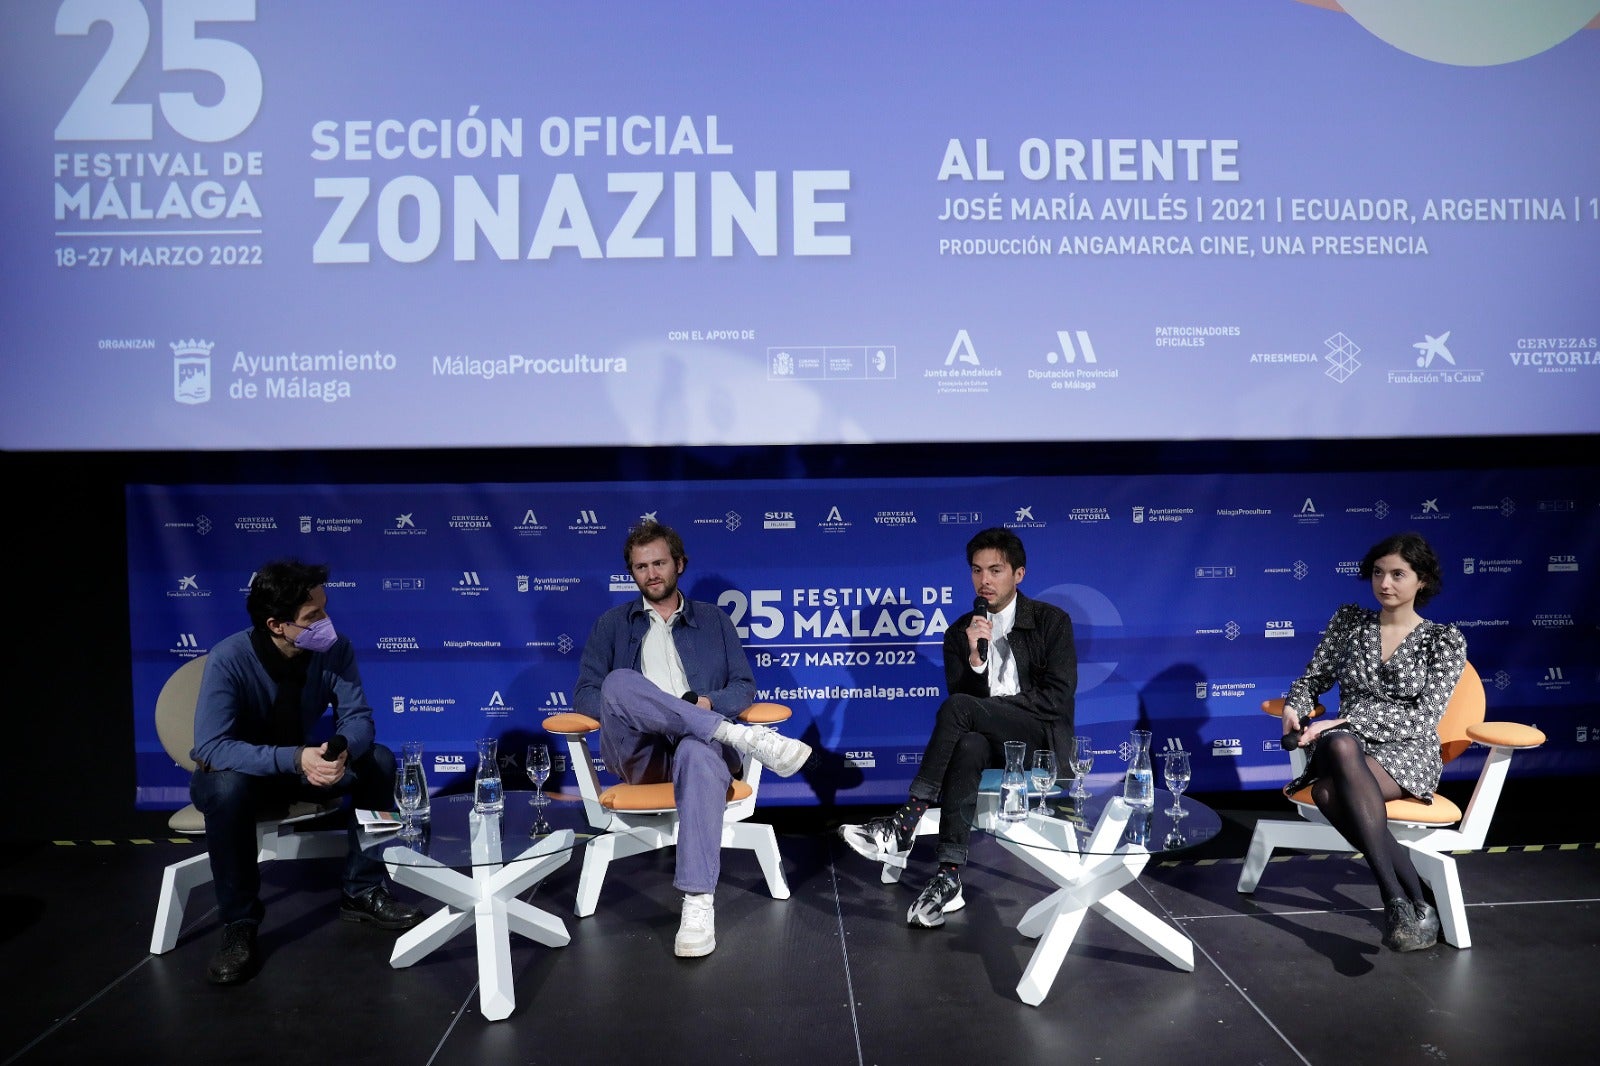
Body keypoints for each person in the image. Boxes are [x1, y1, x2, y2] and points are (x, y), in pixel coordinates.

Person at [573, 520, 813, 957]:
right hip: (639, 754)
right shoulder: (612, 625)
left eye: (660, 563)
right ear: (632, 573)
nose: (651, 574)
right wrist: (666, 712)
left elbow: (743, 687)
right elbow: (588, 695)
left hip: (697, 751)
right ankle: (739, 735)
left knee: (698, 753)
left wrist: (704, 704)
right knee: (619, 683)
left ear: (679, 564)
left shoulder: (715, 621)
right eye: (641, 567)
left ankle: (698, 902)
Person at [189, 559, 422, 985]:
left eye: (325, 609)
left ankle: (364, 888)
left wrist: (338, 752)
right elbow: (210, 747)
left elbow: (359, 719)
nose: (326, 622)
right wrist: (296, 758)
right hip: (241, 775)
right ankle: (239, 923)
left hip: (304, 766)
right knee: (225, 788)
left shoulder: (336, 649)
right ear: (277, 625)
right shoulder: (229, 658)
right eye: (313, 617)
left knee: (382, 761)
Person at [838, 527, 1077, 928]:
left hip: (1037, 738)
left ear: (1018, 574)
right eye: (977, 570)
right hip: (984, 737)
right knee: (966, 744)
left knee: (963, 711)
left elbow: (1057, 697)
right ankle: (948, 876)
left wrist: (994, 706)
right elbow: (962, 707)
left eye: (995, 570)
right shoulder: (959, 632)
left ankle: (907, 820)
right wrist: (975, 657)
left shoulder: (1052, 622)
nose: (984, 580)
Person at [1280, 531, 1467, 952]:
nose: (1385, 583)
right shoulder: (1350, 622)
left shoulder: (1444, 640)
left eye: (1399, 574)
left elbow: (1424, 717)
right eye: (1379, 573)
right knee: (1343, 744)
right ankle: (1398, 900)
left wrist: (1348, 718)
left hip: (1407, 749)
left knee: (1329, 790)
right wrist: (1297, 704)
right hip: (1345, 743)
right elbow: (1314, 679)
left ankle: (1406, 897)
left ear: (1422, 581)